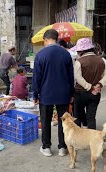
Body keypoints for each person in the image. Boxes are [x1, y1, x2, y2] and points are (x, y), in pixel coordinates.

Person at [32, 29, 74, 157]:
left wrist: (35, 94)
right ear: (56, 38)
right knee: (64, 121)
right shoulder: (66, 54)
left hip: (46, 94)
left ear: (45, 39)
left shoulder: (40, 55)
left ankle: (46, 147)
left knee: (45, 120)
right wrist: (71, 94)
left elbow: (36, 78)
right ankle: (62, 147)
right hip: (63, 93)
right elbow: (70, 77)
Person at [72, 38, 106, 129]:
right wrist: (99, 84)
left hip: (80, 93)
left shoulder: (79, 62)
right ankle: (92, 140)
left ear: (82, 50)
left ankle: (79, 138)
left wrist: (90, 87)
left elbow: (78, 78)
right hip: (96, 93)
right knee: (91, 117)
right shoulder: (102, 60)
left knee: (77, 116)